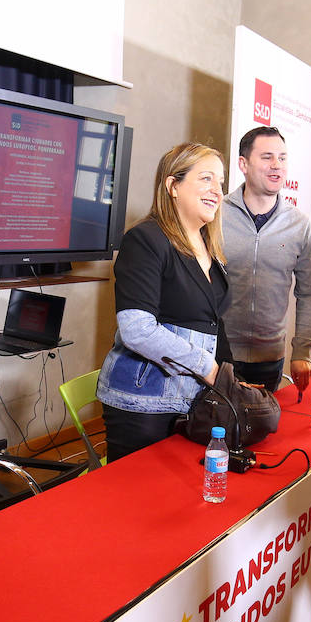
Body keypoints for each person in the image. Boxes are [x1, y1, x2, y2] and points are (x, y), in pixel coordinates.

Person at [97, 143, 231, 460]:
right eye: (206, 179)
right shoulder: (145, 239)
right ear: (173, 185)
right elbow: (137, 330)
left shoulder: (209, 248)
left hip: (192, 399)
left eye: (221, 182)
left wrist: (231, 379)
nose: (218, 191)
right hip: (143, 405)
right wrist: (208, 367)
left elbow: (214, 323)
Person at [221, 126, 311, 393]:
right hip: (217, 352)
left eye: (282, 157)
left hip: (269, 359)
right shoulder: (215, 215)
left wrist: (302, 352)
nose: (276, 165)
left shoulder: (300, 225)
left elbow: (310, 293)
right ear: (243, 163)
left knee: (262, 433)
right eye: (266, 157)